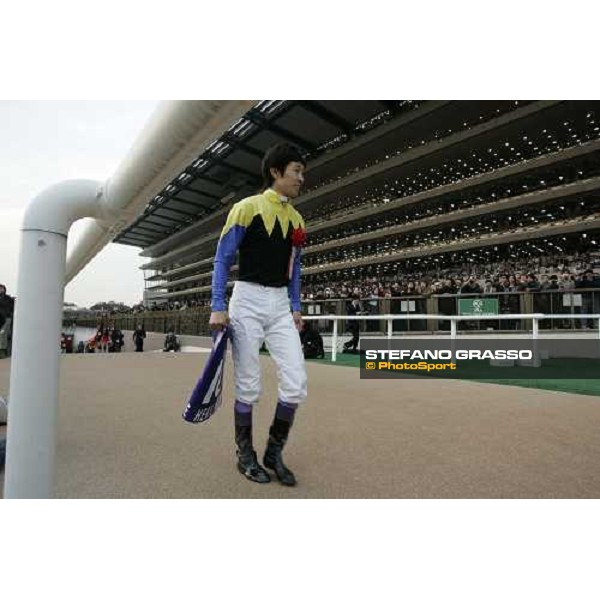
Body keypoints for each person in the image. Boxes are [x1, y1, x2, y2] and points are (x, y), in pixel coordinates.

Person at [209, 142, 307, 486]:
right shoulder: (245, 208)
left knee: (295, 384)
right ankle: (245, 453)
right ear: (275, 172)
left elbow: (295, 270)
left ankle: (272, 453)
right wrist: (217, 306)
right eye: (296, 171)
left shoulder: (297, 219)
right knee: (249, 383)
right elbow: (222, 258)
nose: (301, 178)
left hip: (280, 304)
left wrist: (296, 307)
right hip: (247, 300)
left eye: (301, 171)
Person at [0, 284, 15, 358]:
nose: (0, 290)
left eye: (1, 288)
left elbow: (12, 308)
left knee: (3, 333)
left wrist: (9, 314)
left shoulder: (8, 299)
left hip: (6, 318)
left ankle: (2, 351)